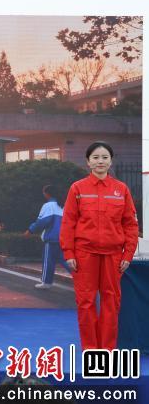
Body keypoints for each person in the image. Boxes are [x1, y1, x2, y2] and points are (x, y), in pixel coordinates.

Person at [60, 141, 138, 350]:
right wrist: (69, 253)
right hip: (84, 254)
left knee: (111, 303)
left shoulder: (121, 189)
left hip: (113, 255)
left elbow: (130, 224)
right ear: (88, 162)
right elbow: (68, 222)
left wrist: (127, 255)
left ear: (111, 161)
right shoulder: (78, 188)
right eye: (95, 157)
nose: (100, 161)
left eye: (104, 157)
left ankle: (107, 350)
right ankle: (90, 350)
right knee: (85, 302)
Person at [25, 185, 70, 289]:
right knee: (65, 260)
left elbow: (42, 221)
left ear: (47, 194)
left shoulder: (48, 206)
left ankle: (46, 282)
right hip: (64, 237)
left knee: (48, 260)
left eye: (43, 192)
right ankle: (82, 278)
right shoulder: (64, 205)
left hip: (52, 238)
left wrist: (30, 230)